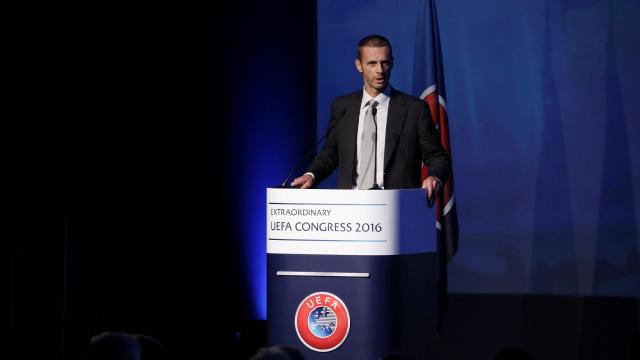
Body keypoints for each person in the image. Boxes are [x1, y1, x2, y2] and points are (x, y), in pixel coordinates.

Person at [291, 34, 449, 200]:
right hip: (349, 207)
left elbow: (437, 156)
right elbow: (331, 153)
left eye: (385, 62)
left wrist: (434, 177)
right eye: (372, 63)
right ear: (359, 65)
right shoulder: (342, 107)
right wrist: (311, 174)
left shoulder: (414, 109)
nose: (380, 70)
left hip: (396, 209)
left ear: (392, 63)